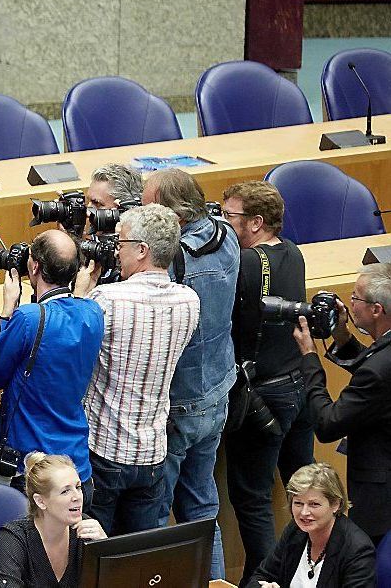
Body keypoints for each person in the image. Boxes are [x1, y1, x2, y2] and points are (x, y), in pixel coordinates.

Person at [74, 204, 200, 535]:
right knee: (138, 559)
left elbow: (73, 349)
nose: (116, 252)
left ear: (142, 250)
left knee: (93, 554)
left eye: (121, 244)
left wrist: (79, 299)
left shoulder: (107, 299)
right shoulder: (189, 301)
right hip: (153, 454)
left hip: (104, 451)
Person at [141, 168, 239, 579]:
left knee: (156, 515)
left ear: (170, 216)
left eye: (148, 206)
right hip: (219, 390)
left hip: (177, 401)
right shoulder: (227, 235)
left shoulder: (177, 257)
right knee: (203, 511)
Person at [221, 181, 315, 584]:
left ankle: (262, 580)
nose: (223, 225)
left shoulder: (244, 263)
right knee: (306, 491)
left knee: (254, 498)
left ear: (256, 222)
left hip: (262, 395)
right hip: (300, 387)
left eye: (230, 217)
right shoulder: (293, 251)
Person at [0, 230, 105, 502]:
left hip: (32, 469)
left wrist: (7, 310)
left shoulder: (28, 318)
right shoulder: (93, 313)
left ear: (34, 267)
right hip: (76, 467)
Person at [293, 262, 391, 545]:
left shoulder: (377, 371)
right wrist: (343, 337)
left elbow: (327, 424)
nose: (349, 303)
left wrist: (310, 358)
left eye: (356, 297)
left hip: (380, 502)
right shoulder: (382, 358)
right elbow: (375, 370)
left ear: (377, 310)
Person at [245, 463, 376, 588]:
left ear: (335, 504)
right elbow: (260, 576)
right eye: (298, 503)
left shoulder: (357, 549)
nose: (304, 513)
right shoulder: (295, 530)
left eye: (314, 504)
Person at [0, 452, 107, 587]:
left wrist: (104, 550)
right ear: (40, 501)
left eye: (78, 487)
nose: (77, 497)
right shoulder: (12, 539)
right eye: (65, 491)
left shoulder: (86, 531)